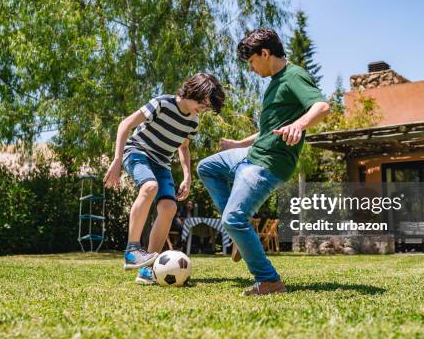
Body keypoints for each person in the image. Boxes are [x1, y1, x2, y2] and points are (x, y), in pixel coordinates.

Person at [197, 28, 329, 295]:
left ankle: (269, 280)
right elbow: (269, 130)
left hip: (269, 163)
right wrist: (238, 144)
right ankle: (238, 236)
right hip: (251, 153)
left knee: (234, 219)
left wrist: (300, 125)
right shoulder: (276, 83)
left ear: (265, 53)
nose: (252, 68)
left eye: (252, 62)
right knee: (207, 167)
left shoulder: (293, 76)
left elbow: (321, 107)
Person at [104, 73, 225, 285]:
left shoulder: (193, 122)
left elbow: (184, 147)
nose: (203, 110)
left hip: (161, 163)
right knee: (149, 187)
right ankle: (132, 251)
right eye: (203, 104)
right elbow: (125, 124)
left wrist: (187, 175)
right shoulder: (161, 103)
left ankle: (147, 269)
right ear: (193, 91)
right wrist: (116, 159)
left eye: (207, 108)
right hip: (137, 152)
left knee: (169, 209)